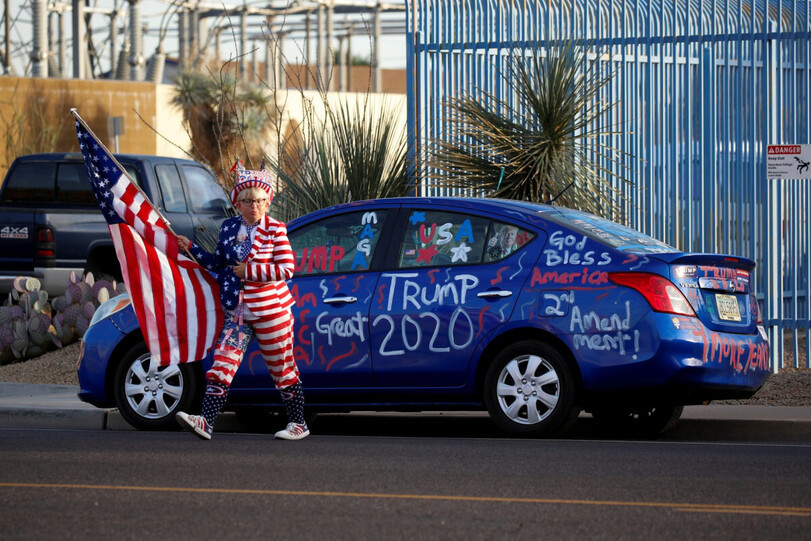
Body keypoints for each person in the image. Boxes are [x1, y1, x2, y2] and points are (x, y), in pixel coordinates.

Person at [174, 163, 308, 441]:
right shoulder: (228, 228)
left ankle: (298, 423)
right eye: (248, 201)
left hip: (272, 312)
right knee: (223, 363)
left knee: (282, 369)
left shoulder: (276, 230)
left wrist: (251, 272)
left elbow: (286, 269)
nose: (255, 206)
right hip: (238, 312)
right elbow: (218, 264)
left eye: (260, 201)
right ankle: (205, 421)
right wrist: (191, 248)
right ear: (238, 202)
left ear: (268, 201)